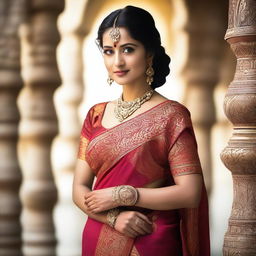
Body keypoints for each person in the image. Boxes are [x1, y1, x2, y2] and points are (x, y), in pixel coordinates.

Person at [73, 5, 210, 256]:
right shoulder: (95, 116)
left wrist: (122, 195)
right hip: (97, 238)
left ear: (149, 54)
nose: (118, 61)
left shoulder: (172, 116)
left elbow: (190, 192)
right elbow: (79, 190)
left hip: (150, 239)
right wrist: (113, 218)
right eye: (108, 51)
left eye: (128, 49)